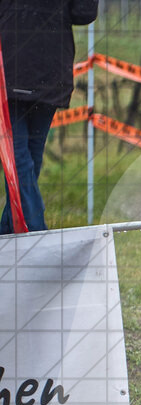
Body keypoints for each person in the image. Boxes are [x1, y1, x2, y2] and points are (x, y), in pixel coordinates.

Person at [0, 0, 99, 235]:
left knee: (19, 159)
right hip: (50, 70)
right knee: (27, 158)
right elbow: (83, 13)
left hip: (12, 67)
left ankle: (27, 232)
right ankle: (27, 231)